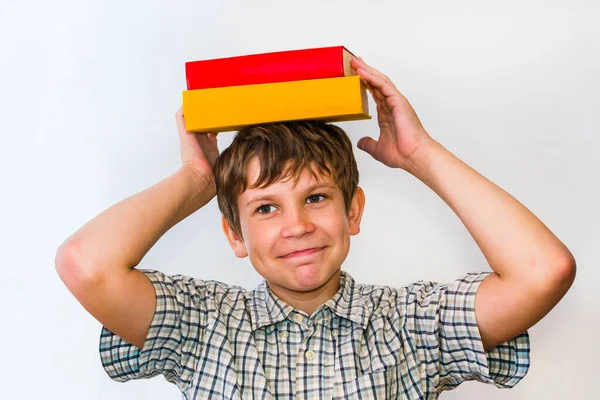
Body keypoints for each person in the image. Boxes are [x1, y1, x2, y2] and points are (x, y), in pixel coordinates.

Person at [55, 56, 576, 399]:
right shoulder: (201, 325)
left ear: (353, 211)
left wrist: (421, 154)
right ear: (234, 234)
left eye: (316, 198)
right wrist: (196, 178)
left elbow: (544, 271)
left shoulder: (414, 324)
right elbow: (86, 264)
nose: (297, 225)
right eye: (265, 208)